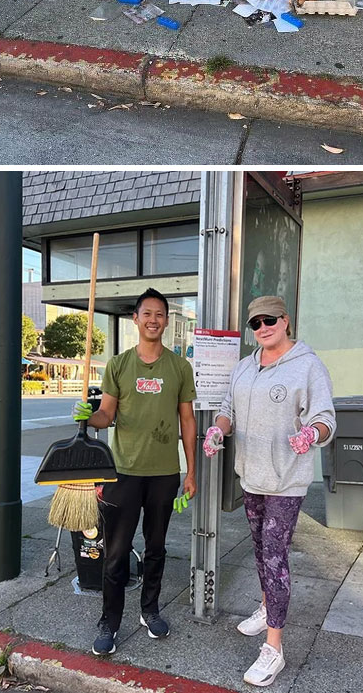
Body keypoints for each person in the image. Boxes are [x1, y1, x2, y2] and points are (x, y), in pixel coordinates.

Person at [203, 296, 335, 688]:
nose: (263, 327)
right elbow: (228, 409)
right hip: (252, 477)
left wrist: (312, 434)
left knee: (275, 556)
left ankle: (274, 648)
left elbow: (325, 418)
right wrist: (217, 429)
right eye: (256, 323)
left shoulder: (308, 366)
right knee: (261, 549)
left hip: (286, 481)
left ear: (285, 321)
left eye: (270, 320)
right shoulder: (244, 367)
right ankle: (266, 606)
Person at [75, 288, 197, 656]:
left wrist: (191, 472)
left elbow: (187, 421)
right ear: (136, 319)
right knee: (115, 553)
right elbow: (107, 415)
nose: (153, 320)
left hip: (164, 474)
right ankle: (109, 622)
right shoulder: (118, 365)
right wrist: (89, 418)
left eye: (159, 314)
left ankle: (150, 610)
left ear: (166, 320)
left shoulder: (179, 367)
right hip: (123, 473)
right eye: (147, 313)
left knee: (156, 547)